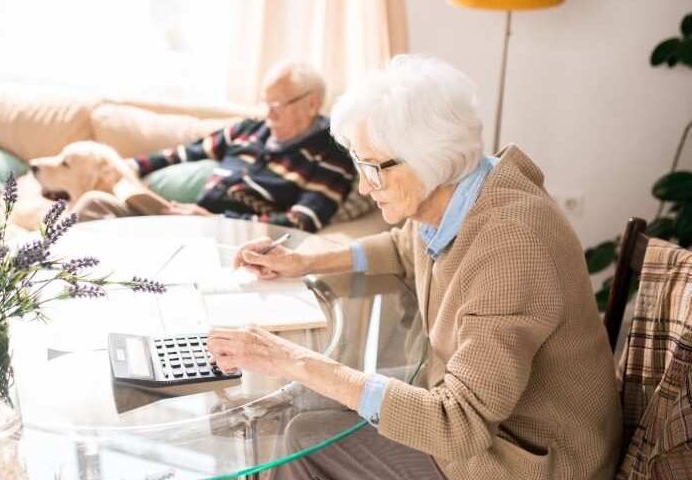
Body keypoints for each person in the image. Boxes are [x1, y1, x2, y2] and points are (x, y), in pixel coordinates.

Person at [207, 55, 623, 479]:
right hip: (483, 416)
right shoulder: (463, 191)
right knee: (295, 401)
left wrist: (292, 359)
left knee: (304, 434)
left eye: (372, 168)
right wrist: (302, 261)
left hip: (528, 460)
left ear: (428, 156)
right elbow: (406, 245)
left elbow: (459, 425)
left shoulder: (510, 245)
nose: (366, 187)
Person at [74, 62, 357, 233]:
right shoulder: (249, 129)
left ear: (312, 103)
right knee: (92, 205)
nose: (268, 115)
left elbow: (303, 221)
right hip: (186, 221)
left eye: (277, 106)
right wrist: (125, 168)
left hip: (229, 238)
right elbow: (183, 154)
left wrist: (219, 221)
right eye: (265, 104)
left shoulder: (331, 155)